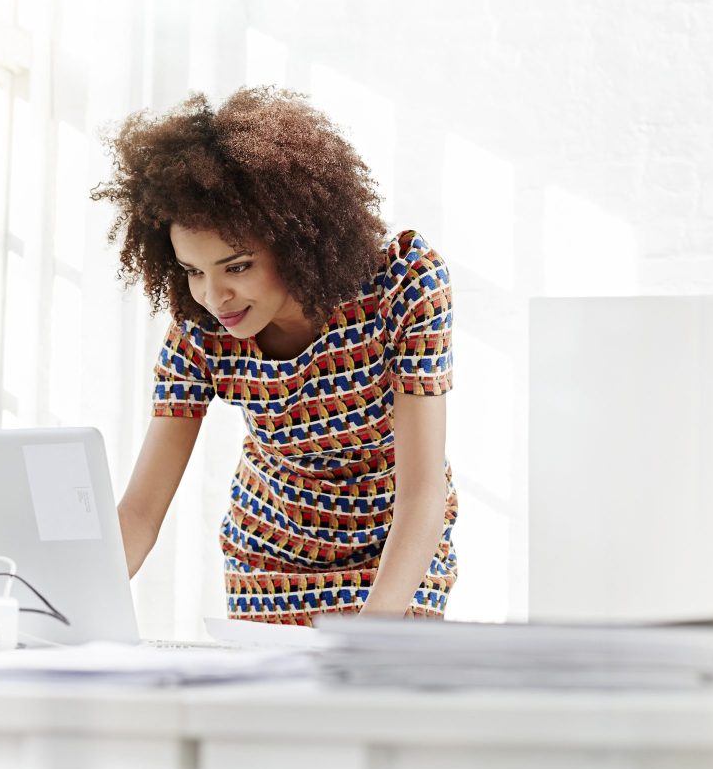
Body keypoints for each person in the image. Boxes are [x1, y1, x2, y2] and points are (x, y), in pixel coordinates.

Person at [91, 86, 457, 624]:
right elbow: (141, 511)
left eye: (236, 266)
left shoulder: (403, 283)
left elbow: (423, 491)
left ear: (296, 240)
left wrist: (372, 633)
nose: (215, 297)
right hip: (269, 561)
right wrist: (64, 608)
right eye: (194, 272)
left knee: (374, 701)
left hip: (397, 546)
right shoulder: (201, 329)